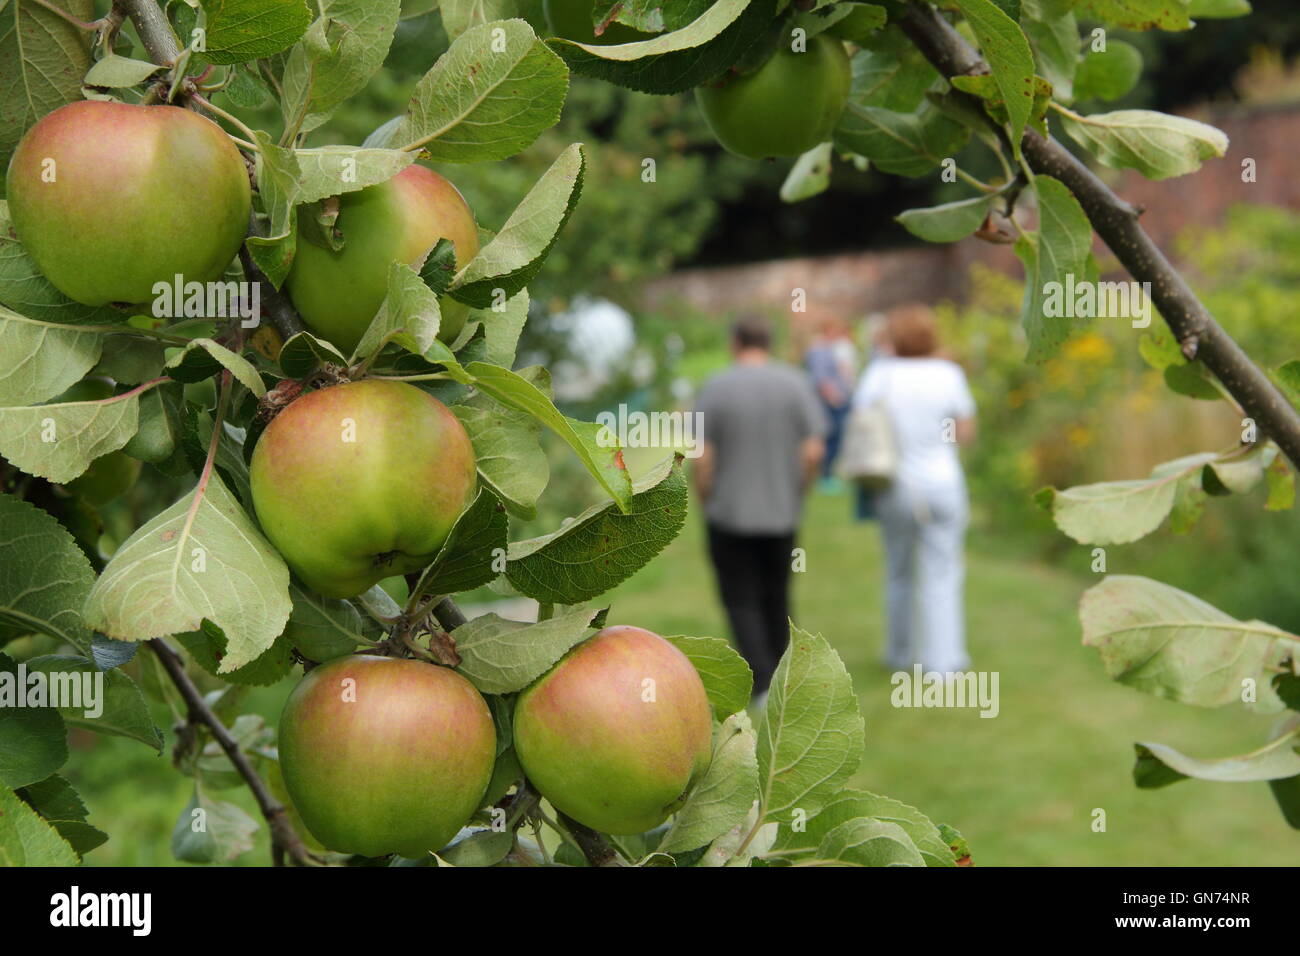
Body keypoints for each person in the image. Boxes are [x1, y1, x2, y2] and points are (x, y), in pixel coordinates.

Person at [693, 315, 828, 702]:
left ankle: (763, 682)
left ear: (735, 342)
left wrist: (707, 499)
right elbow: (813, 449)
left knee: (740, 598)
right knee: (778, 593)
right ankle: (788, 677)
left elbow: (703, 457)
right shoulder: (795, 383)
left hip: (729, 513)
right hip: (781, 511)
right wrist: (800, 489)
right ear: (768, 341)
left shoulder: (716, 387)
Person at [852, 304, 975, 673]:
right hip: (942, 482)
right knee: (943, 572)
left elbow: (861, 419)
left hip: (895, 486)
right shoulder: (948, 374)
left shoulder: (880, 374)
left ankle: (900, 653)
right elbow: (966, 433)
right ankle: (944, 662)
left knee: (899, 571)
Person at [804, 314, 857, 486]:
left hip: (838, 399)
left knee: (837, 437)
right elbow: (821, 378)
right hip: (830, 402)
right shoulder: (818, 350)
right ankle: (825, 476)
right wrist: (833, 397)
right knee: (831, 437)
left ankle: (828, 474)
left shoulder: (828, 348)